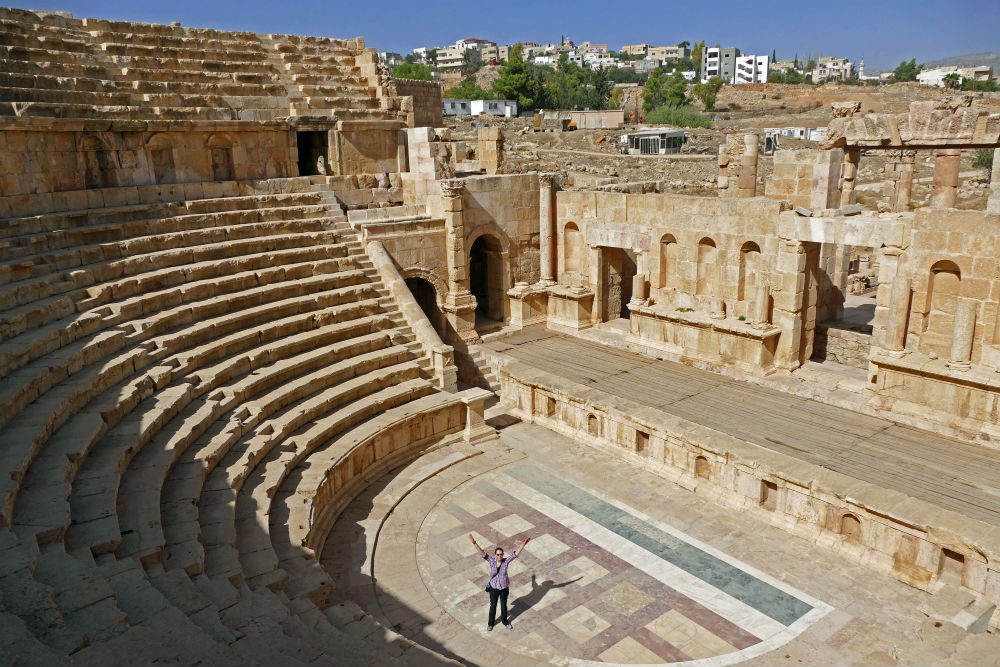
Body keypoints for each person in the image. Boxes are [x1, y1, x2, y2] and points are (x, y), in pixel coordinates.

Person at [468, 533, 530, 631]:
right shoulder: (491, 561)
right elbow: (482, 552)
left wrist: (524, 544)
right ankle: (490, 623)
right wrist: (474, 542)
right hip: (494, 588)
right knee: (493, 606)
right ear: (495, 555)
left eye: (501, 554)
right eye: (498, 554)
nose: (499, 556)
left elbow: (516, 554)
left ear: (503, 555)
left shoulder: (506, 561)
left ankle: (505, 621)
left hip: (504, 588)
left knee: (503, 606)